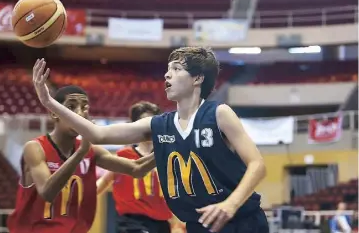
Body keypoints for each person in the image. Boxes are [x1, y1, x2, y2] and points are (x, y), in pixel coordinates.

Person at [31, 46, 269, 233]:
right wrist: (49, 102)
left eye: (176, 69)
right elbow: (98, 135)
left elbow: (257, 165)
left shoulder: (219, 113)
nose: (167, 74)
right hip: (200, 225)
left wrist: (231, 204)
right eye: (168, 68)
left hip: (243, 222)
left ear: (197, 78)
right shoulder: (158, 125)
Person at [7, 85, 156, 233]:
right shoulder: (35, 148)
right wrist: (79, 153)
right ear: (54, 113)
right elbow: (47, 192)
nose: (79, 113)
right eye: (71, 107)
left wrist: (167, 146)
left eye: (84, 108)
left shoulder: (91, 151)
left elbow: (137, 169)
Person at [97, 101, 174, 233]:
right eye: (143, 122)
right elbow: (105, 180)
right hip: (131, 223)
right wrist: (83, 197)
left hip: (161, 223)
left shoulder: (169, 157)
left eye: (152, 123)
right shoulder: (124, 155)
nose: (148, 127)